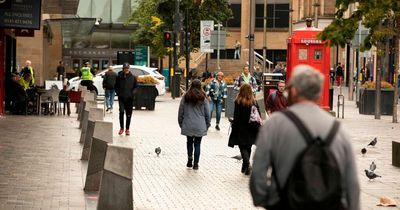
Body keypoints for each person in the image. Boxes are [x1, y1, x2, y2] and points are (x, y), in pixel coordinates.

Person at [250, 65, 359, 210]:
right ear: (319, 93)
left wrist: (267, 201)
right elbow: (352, 185)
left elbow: (258, 173)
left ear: (293, 90)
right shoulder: (339, 131)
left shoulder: (274, 125)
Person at [228, 83, 260, 175]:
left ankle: (247, 164)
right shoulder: (254, 101)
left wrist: (234, 124)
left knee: (242, 146)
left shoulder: (238, 101)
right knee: (248, 146)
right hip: (252, 127)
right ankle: (245, 166)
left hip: (241, 127)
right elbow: (258, 116)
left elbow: (236, 116)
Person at [178, 79, 210, 170]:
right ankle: (196, 163)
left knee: (189, 142)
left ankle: (189, 159)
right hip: (200, 125)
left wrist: (181, 123)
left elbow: (181, 111)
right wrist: (207, 125)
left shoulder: (186, 97)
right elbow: (207, 113)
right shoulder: (203, 98)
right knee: (198, 144)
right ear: (200, 86)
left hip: (188, 123)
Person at [115, 62, 137, 136]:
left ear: (129, 68)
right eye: (125, 68)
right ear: (123, 69)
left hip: (129, 99)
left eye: (127, 68)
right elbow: (116, 86)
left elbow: (136, 87)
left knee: (128, 114)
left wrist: (132, 93)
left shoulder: (133, 77)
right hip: (121, 98)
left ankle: (127, 129)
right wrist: (118, 93)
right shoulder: (119, 77)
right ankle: (121, 128)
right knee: (121, 112)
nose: (126, 70)